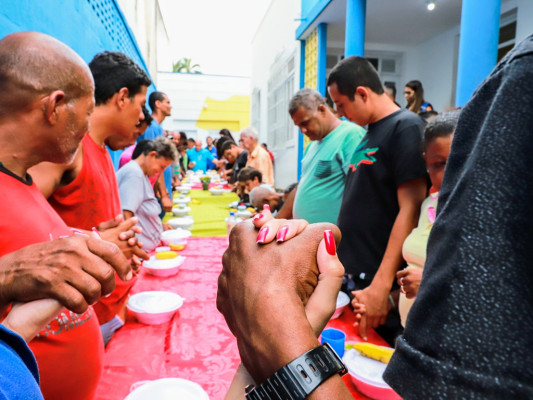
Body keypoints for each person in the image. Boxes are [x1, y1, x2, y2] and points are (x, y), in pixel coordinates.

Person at [0, 31, 135, 400]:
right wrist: (7, 276)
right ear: (55, 107)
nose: (88, 127)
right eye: (87, 113)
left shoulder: (25, 183)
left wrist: (92, 241)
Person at [29, 50, 151, 348]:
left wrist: (122, 245)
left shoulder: (103, 150)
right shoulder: (68, 150)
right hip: (80, 315)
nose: (141, 116)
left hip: (109, 307)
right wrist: (98, 240)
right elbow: (19, 234)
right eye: (140, 104)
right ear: (122, 97)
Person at [327, 56, 428, 344]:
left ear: (362, 93)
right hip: (357, 276)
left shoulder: (406, 127)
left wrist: (382, 286)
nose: (340, 114)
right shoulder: (370, 132)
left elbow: (410, 208)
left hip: (378, 279)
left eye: (341, 105)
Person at [354, 111, 458, 330]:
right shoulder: (428, 204)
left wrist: (430, 282)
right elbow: (414, 275)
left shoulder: (474, 212)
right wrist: (388, 299)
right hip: (412, 331)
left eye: (457, 161)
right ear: (425, 161)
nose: (448, 172)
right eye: (438, 164)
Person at [289, 88, 365, 224]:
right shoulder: (311, 146)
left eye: (305, 123)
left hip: (334, 234)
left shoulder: (350, 135)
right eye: (298, 126)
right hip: (309, 234)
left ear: (322, 109)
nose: (302, 131)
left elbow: (361, 191)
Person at [117, 137, 178, 252]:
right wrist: (132, 250)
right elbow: (126, 217)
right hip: (140, 252)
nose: (160, 172)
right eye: (161, 167)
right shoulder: (134, 174)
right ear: (152, 155)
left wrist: (159, 226)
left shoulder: (141, 174)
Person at [138, 91, 174, 217]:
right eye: (167, 102)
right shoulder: (151, 127)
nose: (170, 106)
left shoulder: (157, 128)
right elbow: (154, 162)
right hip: (156, 194)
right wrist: (163, 195)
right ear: (158, 104)